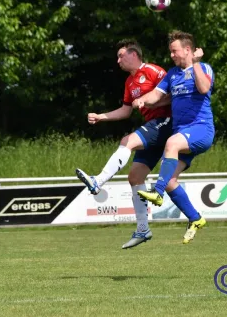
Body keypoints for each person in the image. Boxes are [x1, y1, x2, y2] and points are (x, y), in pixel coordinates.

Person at [75, 39, 177, 249]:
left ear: (134, 55)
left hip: (167, 123)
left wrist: (151, 101)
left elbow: (174, 95)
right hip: (153, 126)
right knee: (135, 177)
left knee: (127, 141)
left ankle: (98, 181)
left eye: (121, 55)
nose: (118, 60)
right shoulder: (129, 83)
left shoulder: (152, 71)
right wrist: (101, 117)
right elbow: (126, 110)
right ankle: (143, 229)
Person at [133, 30, 214, 244]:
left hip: (201, 129)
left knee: (171, 143)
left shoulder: (203, 68)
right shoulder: (172, 74)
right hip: (183, 133)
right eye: (170, 52)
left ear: (187, 50)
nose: (171, 55)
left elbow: (204, 87)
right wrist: (142, 99)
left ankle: (157, 193)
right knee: (170, 181)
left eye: (174, 51)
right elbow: (157, 96)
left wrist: (196, 63)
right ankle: (195, 218)